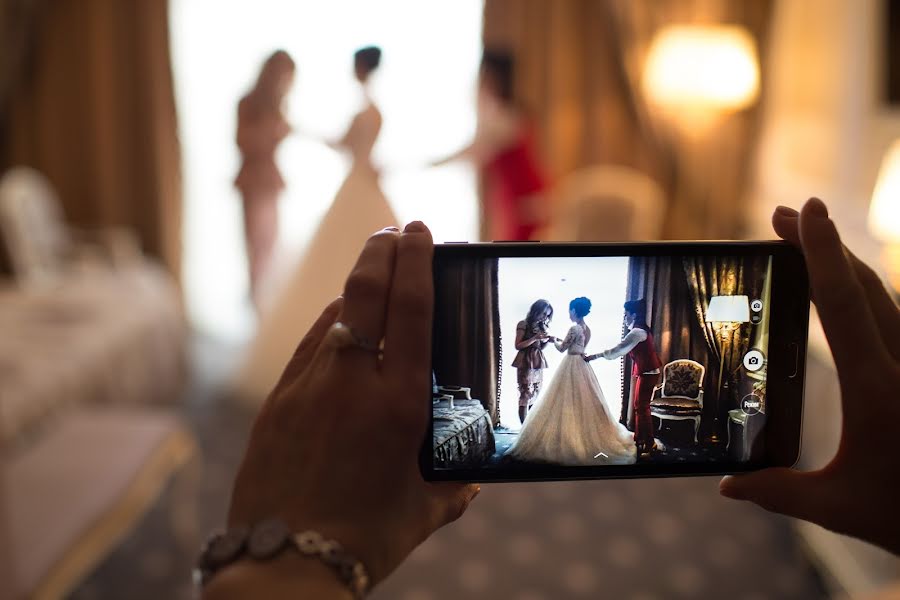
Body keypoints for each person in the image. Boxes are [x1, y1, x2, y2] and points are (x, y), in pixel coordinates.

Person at [203, 199, 899, 599]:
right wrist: (585, 352)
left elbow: (581, 350)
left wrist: (288, 561)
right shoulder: (574, 328)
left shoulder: (583, 328)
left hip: (577, 368)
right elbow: (576, 350)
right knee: (564, 420)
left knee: (572, 423)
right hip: (575, 368)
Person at [233, 46, 399, 403]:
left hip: (356, 185)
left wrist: (301, 131)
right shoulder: (374, 110)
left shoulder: (364, 111)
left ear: (359, 70)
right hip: (363, 184)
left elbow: (344, 144)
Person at [504, 297, 637, 465]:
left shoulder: (574, 328)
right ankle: (580, 435)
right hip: (581, 364)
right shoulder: (586, 329)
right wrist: (547, 339)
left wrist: (554, 341)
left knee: (562, 400)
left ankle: (564, 437)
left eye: (569, 310)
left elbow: (562, 349)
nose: (568, 313)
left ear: (574, 311)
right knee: (581, 401)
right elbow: (580, 347)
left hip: (570, 364)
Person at [432, 49, 549, 241]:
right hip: (514, 202)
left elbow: (469, 152)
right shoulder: (501, 115)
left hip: (526, 203)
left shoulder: (504, 118)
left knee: (518, 253)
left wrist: (414, 165)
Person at [235, 50, 295, 307]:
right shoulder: (247, 103)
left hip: (270, 182)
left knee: (271, 246)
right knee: (254, 248)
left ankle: (266, 302)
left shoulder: (280, 105)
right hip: (252, 180)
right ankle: (255, 303)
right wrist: (270, 132)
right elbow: (242, 141)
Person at [585, 298, 663, 456]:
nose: (624, 317)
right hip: (645, 371)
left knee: (642, 407)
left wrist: (595, 356)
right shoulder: (638, 329)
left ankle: (650, 444)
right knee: (638, 406)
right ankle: (640, 439)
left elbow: (618, 350)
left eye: (626, 313)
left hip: (648, 372)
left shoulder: (637, 332)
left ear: (633, 315)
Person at [511, 299, 556, 424]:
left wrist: (547, 341)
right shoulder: (523, 324)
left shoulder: (542, 326)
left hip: (537, 362)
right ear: (535, 311)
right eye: (543, 313)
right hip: (525, 361)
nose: (544, 317)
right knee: (525, 395)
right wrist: (535, 337)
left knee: (535, 395)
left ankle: (530, 428)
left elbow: (539, 348)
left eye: (547, 315)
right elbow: (518, 345)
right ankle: (523, 429)